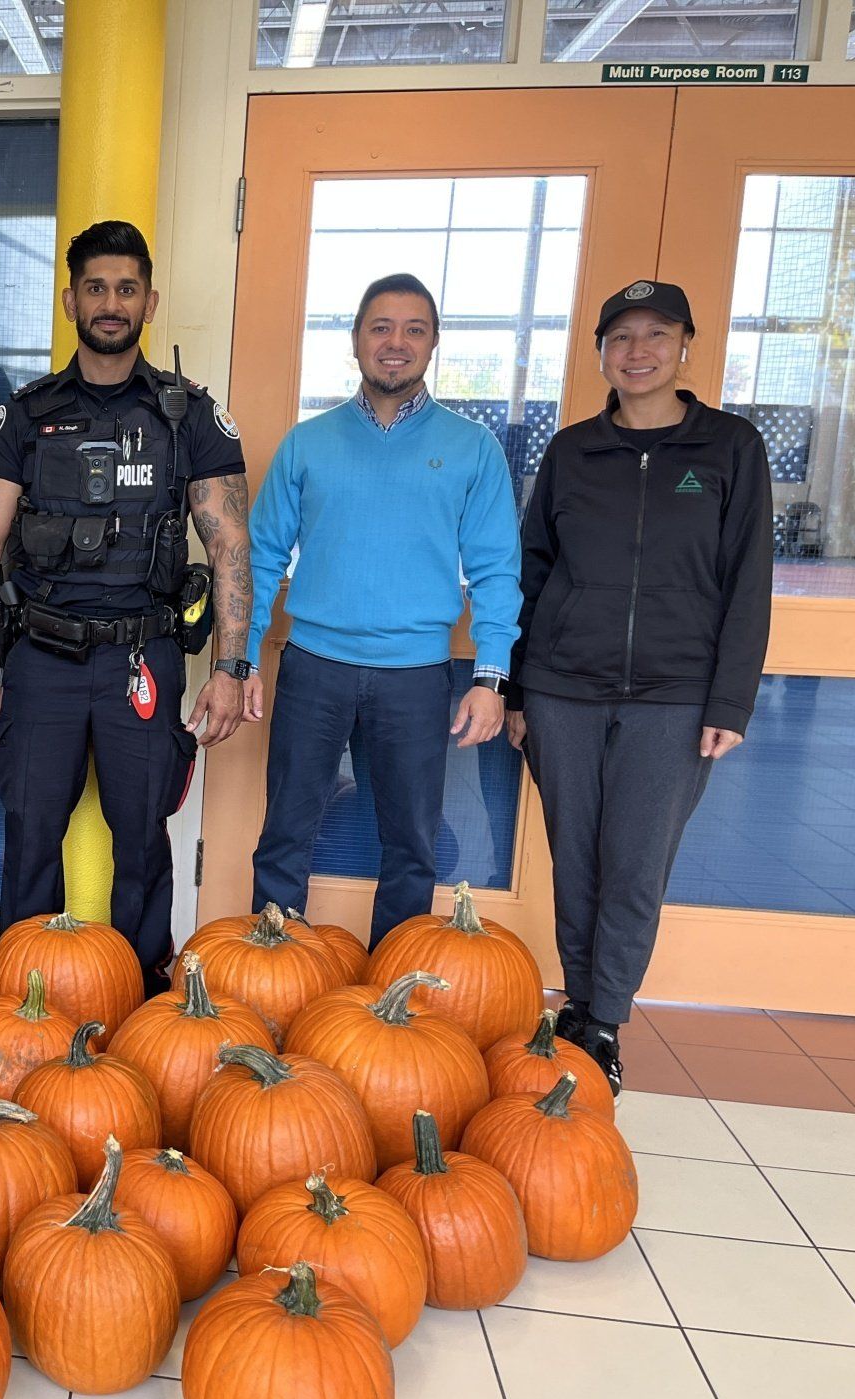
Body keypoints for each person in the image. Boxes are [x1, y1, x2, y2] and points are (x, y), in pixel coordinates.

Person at [0, 220, 258, 993]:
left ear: (149, 301)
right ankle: (24, 991)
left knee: (142, 836)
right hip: (41, 659)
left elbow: (228, 547)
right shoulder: (25, 414)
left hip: (142, 659)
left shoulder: (189, 417)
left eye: (125, 288)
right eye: (95, 288)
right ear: (69, 300)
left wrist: (231, 667)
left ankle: (140, 992)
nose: (110, 303)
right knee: (30, 832)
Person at [506, 280, 772, 1093]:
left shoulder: (729, 449)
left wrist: (729, 702)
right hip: (564, 689)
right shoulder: (573, 452)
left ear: (686, 345)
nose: (639, 352)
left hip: (674, 696)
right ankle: (578, 1006)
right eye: (621, 338)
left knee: (635, 864)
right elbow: (532, 570)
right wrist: (517, 690)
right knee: (575, 856)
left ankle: (606, 1017)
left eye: (657, 335)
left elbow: (748, 581)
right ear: (601, 354)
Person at [245, 272, 522, 949]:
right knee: (286, 833)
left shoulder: (473, 448)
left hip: (416, 676)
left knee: (410, 845)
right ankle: (274, 975)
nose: (396, 343)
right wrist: (241, 657)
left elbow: (495, 570)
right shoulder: (307, 445)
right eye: (381, 327)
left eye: (414, 330)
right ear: (356, 340)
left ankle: (389, 1005)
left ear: (432, 345)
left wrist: (491, 678)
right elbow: (259, 559)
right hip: (314, 668)